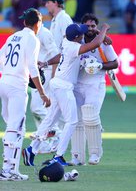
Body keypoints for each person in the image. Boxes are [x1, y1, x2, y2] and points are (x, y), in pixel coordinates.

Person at [22, 22, 110, 167]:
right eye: (81, 33)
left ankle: (32, 149)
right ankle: (58, 156)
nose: (83, 34)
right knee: (72, 121)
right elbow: (96, 44)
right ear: (77, 37)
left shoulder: (67, 41)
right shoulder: (74, 47)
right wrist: (104, 29)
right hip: (64, 87)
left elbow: (60, 55)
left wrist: (46, 63)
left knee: (51, 118)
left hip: (57, 83)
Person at [0, 8, 50, 181]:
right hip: (16, 87)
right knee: (16, 128)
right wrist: (42, 94)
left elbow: (1, 58)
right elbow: (33, 68)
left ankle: (7, 168)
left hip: (4, 82)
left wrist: (8, 73)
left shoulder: (13, 36)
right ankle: (9, 170)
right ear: (38, 24)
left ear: (24, 22)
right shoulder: (33, 39)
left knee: (11, 126)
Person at [69, 13, 118, 166]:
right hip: (77, 85)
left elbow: (115, 63)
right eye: (87, 26)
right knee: (76, 120)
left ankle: (95, 154)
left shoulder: (104, 42)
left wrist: (99, 66)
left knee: (90, 116)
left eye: (93, 26)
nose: (90, 28)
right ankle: (77, 157)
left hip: (95, 85)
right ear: (82, 27)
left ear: (97, 27)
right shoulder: (77, 40)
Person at [42, 0, 73, 150]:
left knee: (55, 105)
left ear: (55, 2)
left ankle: (55, 138)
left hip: (60, 69)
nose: (46, 5)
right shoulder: (55, 20)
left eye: (48, 2)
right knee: (53, 105)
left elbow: (67, 47)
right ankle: (53, 139)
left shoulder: (64, 18)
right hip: (55, 67)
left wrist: (55, 71)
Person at [30, 24, 61, 154]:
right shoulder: (31, 33)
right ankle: (44, 142)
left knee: (37, 107)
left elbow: (56, 55)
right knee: (41, 108)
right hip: (37, 73)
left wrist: (53, 75)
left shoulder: (45, 33)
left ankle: (56, 132)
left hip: (46, 72)